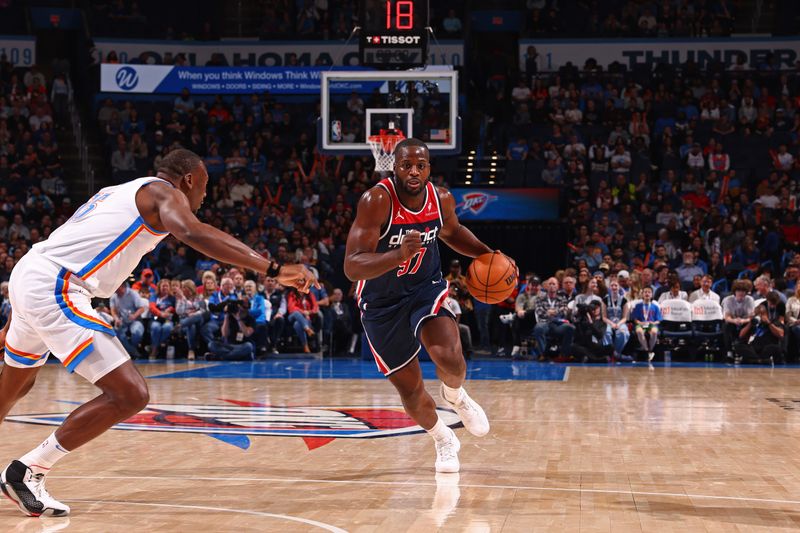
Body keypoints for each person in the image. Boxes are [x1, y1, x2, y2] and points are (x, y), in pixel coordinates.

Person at [0, 149, 316, 517]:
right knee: (129, 394)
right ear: (188, 180)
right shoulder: (163, 193)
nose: (204, 196)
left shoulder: (118, 191)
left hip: (31, 272)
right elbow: (193, 232)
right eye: (205, 186)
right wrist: (274, 268)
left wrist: (18, 314)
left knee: (15, 385)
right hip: (57, 285)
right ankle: (28, 470)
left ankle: (25, 471)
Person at [344, 138, 513, 473]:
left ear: (429, 168)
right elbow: (352, 265)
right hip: (381, 304)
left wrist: (488, 255)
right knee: (411, 389)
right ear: (395, 166)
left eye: (420, 165)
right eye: (406, 165)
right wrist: (396, 255)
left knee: (450, 357)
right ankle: (443, 438)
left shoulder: (441, 198)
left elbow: (452, 231)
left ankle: (456, 396)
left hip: (425, 288)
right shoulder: (376, 200)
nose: (413, 171)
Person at [533, 277, 575, 361]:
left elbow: (564, 311)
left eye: (554, 284)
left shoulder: (562, 298)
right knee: (538, 328)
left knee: (571, 328)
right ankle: (543, 354)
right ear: (546, 286)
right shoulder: (539, 298)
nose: (552, 286)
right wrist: (547, 313)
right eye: (550, 284)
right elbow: (539, 311)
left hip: (558, 324)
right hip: (545, 323)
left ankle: (563, 354)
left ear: (557, 286)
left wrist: (554, 312)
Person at [109, 281, 146, 358]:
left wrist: (134, 315)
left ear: (122, 287)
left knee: (136, 332)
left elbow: (142, 308)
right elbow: (113, 310)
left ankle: (131, 351)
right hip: (122, 321)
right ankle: (133, 352)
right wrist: (116, 319)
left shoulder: (133, 294)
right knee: (115, 332)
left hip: (135, 320)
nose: (115, 291)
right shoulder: (114, 296)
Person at [721, 279, 756, 359]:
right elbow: (727, 317)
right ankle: (729, 351)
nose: (741, 293)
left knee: (753, 323)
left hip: (745, 321)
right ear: (735, 291)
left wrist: (743, 320)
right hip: (732, 321)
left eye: (743, 291)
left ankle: (744, 349)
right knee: (726, 326)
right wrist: (734, 321)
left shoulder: (749, 300)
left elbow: (751, 316)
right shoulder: (728, 300)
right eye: (739, 291)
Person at [631, 286, 662, 361]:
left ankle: (650, 350)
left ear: (652, 295)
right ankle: (646, 350)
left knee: (654, 332)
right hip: (641, 324)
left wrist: (654, 322)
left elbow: (659, 320)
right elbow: (635, 319)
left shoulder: (655, 306)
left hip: (651, 324)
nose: (647, 294)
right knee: (639, 331)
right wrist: (640, 323)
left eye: (649, 292)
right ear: (642, 294)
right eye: (645, 292)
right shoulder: (638, 306)